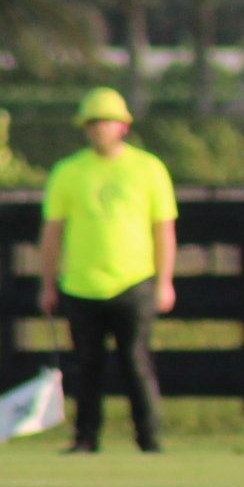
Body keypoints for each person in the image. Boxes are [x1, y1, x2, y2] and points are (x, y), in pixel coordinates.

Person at [38, 86, 178, 454]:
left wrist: (164, 281)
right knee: (86, 366)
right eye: (93, 123)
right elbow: (53, 233)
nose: (99, 129)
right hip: (82, 283)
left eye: (106, 122)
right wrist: (48, 283)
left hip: (133, 281)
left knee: (135, 361)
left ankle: (148, 437)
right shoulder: (68, 172)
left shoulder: (148, 169)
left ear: (123, 126)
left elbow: (163, 229)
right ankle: (85, 438)